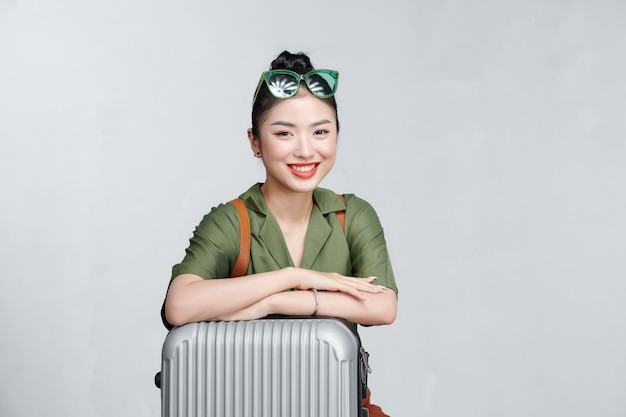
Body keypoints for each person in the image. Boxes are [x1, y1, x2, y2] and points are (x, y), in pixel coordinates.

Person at [162, 50, 398, 416]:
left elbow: (383, 306)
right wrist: (294, 277)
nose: (306, 150)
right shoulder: (232, 221)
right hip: (243, 406)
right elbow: (179, 305)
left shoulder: (352, 215)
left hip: (333, 405)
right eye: (284, 133)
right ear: (255, 142)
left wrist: (277, 302)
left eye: (321, 131)